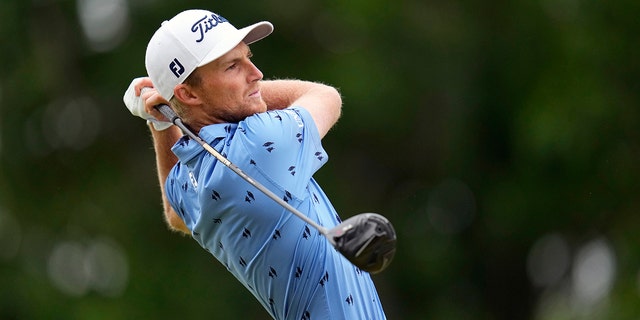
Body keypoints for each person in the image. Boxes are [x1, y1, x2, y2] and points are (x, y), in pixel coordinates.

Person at [123, 9, 387, 320]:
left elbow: (175, 212)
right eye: (232, 66)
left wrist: (164, 121)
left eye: (248, 57)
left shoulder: (192, 177)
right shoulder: (260, 144)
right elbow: (325, 95)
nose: (256, 73)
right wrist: (169, 109)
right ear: (189, 92)